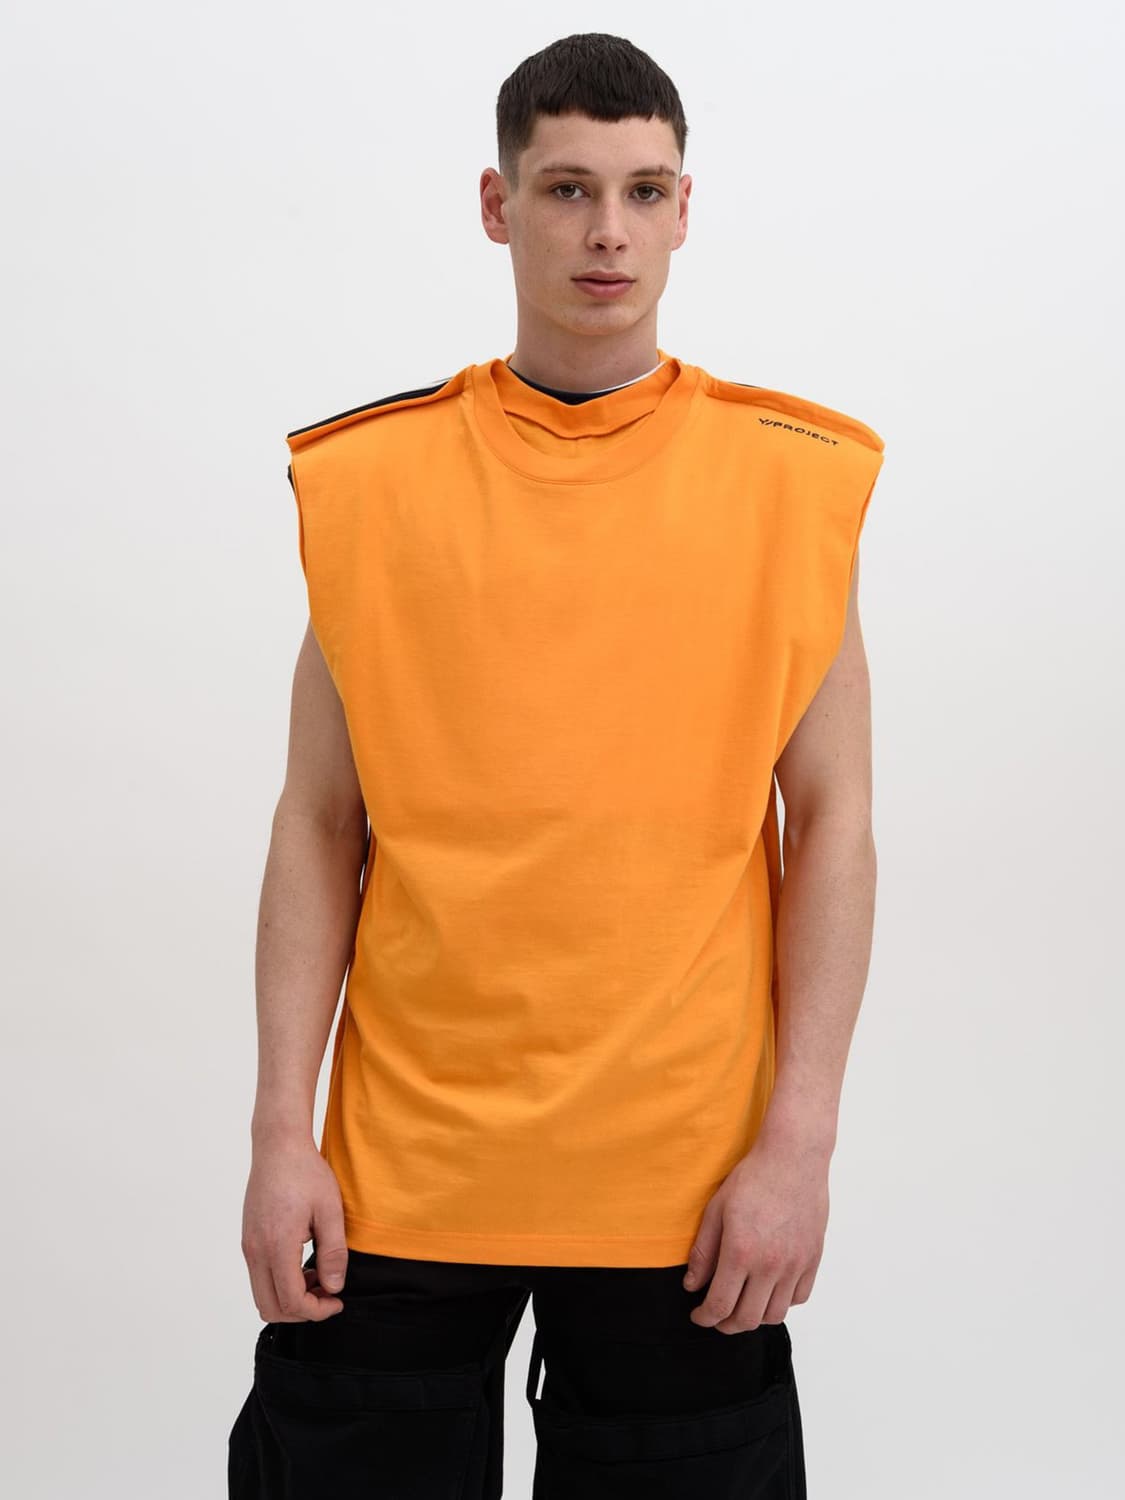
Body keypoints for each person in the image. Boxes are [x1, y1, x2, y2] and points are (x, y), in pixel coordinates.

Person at [228, 30, 885, 1500]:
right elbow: (318, 822)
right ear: (497, 202)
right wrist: (280, 1136)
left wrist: (799, 1143)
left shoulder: (792, 480)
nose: (607, 232)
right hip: (402, 1164)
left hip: (685, 1177)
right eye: (568, 188)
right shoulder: (372, 482)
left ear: (684, 209)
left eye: (643, 192)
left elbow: (832, 821)